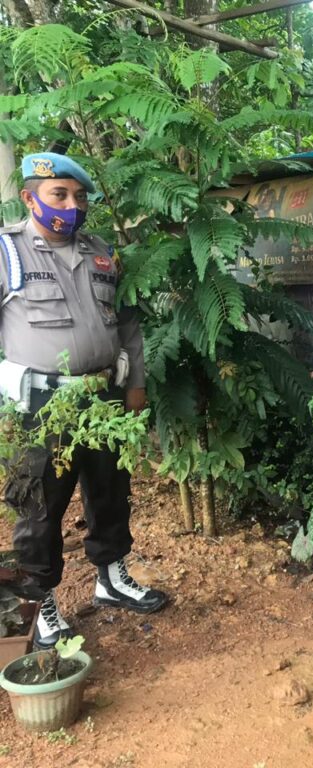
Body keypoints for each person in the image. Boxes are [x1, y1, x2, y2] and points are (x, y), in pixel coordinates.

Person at [0, 152, 168, 649]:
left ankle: (111, 576)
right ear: (29, 198)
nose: (72, 205)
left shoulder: (101, 253)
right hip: (40, 408)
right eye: (60, 195)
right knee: (39, 507)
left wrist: (135, 386)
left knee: (111, 490)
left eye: (79, 196)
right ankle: (40, 602)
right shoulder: (8, 252)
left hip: (103, 397)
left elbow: (129, 325)